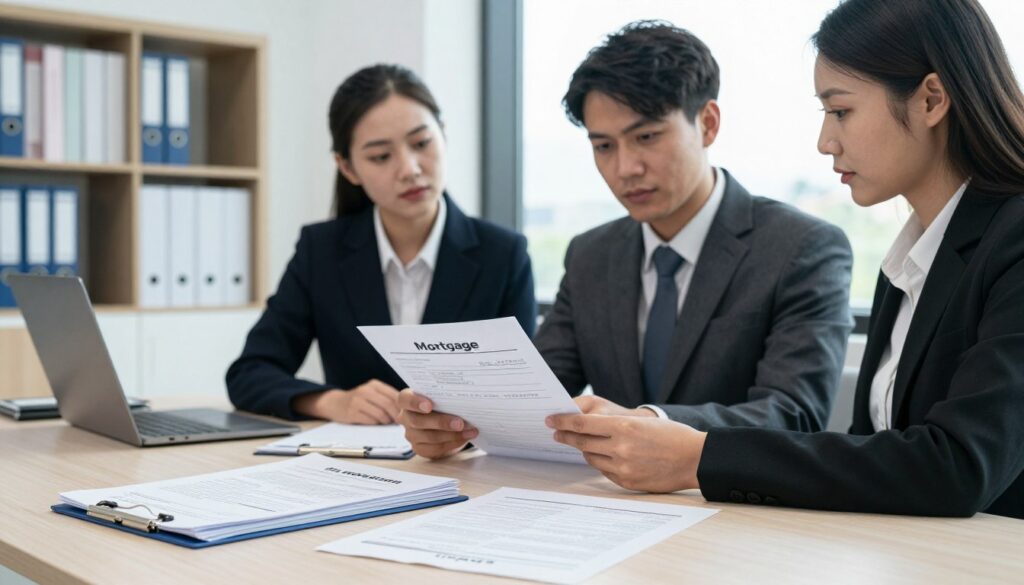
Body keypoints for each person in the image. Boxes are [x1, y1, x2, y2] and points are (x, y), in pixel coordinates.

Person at [547, 0, 1024, 519]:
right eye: (602, 146)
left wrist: (698, 456)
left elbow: (956, 465)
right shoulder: (912, 256)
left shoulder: (1009, 239)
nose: (824, 141)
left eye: (840, 110)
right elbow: (880, 450)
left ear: (931, 99)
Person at [398, 22, 854, 459]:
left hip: (735, 513)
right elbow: (534, 389)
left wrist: (649, 423)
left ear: (708, 123)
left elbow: (794, 414)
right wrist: (455, 424)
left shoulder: (802, 248)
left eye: (647, 136)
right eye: (604, 146)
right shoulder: (591, 255)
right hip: (608, 513)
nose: (625, 168)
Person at [227, 64, 536, 424]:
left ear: (444, 135)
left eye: (422, 144)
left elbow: (525, 394)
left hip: (466, 467)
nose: (409, 169)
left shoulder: (504, 255)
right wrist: (331, 402)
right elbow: (249, 373)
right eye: (380, 157)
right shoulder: (321, 251)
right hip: (356, 467)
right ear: (347, 168)